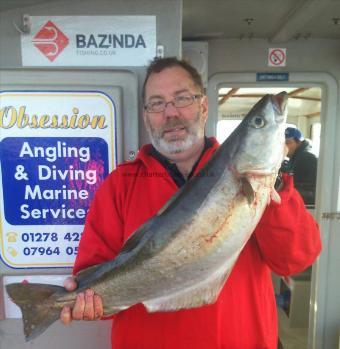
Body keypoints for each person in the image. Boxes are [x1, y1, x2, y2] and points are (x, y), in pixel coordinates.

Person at [60, 57, 321, 349]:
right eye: (157, 103)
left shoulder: (269, 187)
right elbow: (95, 273)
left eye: (182, 98)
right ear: (147, 117)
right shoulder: (119, 185)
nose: (171, 113)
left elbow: (296, 259)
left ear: (204, 106)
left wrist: (274, 192)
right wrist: (84, 299)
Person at [284, 127, 318, 206]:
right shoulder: (295, 157)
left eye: (288, 143)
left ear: (298, 142)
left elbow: (309, 187)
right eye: (283, 143)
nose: (285, 146)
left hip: (309, 202)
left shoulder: (305, 157)